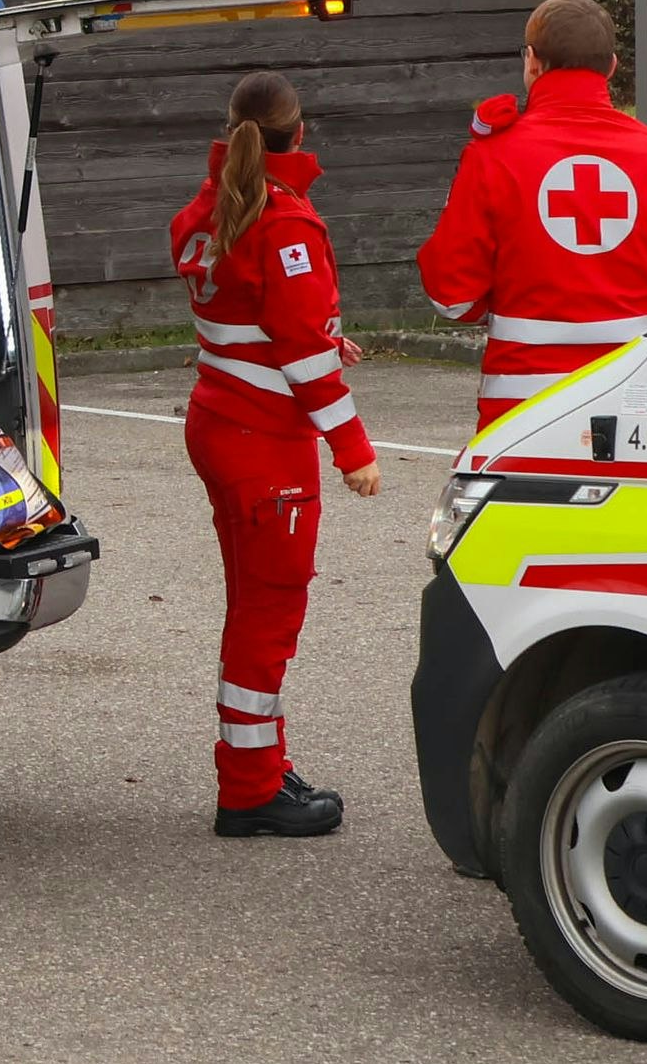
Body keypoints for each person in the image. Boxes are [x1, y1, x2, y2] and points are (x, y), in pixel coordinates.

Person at [173, 69, 381, 840]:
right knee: (268, 616)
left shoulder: (210, 209)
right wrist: (354, 449)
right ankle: (252, 790)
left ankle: (257, 765)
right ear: (301, 134)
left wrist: (320, 340)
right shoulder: (284, 222)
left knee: (251, 607)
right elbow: (298, 354)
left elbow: (245, 322)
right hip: (266, 447)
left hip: (220, 426)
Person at [415, 0, 647, 432]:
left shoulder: (493, 156)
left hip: (520, 405)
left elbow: (452, 297)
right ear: (612, 66)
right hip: (631, 399)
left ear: (533, 61)